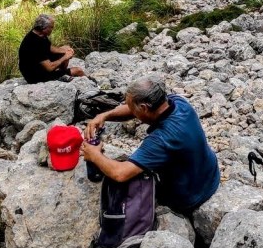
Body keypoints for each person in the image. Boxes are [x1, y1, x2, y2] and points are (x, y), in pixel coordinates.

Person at [81, 77, 220, 216]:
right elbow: (132, 110)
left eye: (131, 107)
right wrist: (104, 115)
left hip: (191, 196)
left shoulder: (162, 139)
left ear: (144, 108)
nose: (130, 110)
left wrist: (94, 155)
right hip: (209, 173)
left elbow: (120, 173)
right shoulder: (178, 102)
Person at [17, 14, 85, 83]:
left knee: (64, 51)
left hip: (38, 65)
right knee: (78, 71)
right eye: (51, 27)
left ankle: (61, 74)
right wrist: (65, 57)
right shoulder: (35, 44)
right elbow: (49, 67)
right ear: (44, 28)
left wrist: (64, 50)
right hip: (35, 76)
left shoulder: (38, 33)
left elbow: (48, 47)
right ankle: (90, 84)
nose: (52, 29)